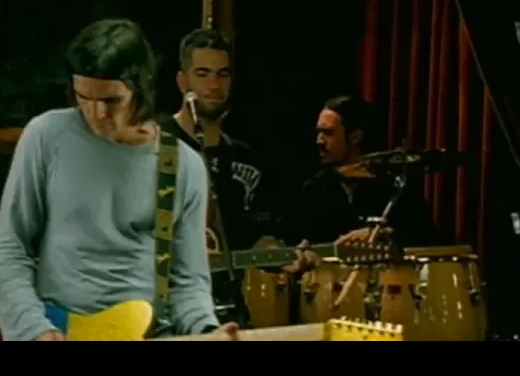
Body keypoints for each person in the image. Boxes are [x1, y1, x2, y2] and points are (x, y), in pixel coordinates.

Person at [0, 19, 237, 341]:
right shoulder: (46, 136)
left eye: (111, 101)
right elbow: (11, 247)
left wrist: (206, 330)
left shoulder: (183, 165)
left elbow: (189, 281)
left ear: (141, 87)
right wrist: (33, 328)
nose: (96, 114)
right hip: (60, 328)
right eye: (83, 97)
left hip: (149, 331)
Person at [158, 28, 272, 252]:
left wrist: (278, 253)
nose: (214, 85)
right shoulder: (153, 144)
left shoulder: (246, 158)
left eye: (222, 74)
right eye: (202, 74)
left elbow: (256, 237)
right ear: (182, 81)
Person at [281, 95, 439, 250]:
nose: (319, 141)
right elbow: (293, 240)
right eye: (319, 132)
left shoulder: (394, 186)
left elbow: (427, 237)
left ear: (355, 137)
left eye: (328, 133)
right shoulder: (315, 188)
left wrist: (384, 234)